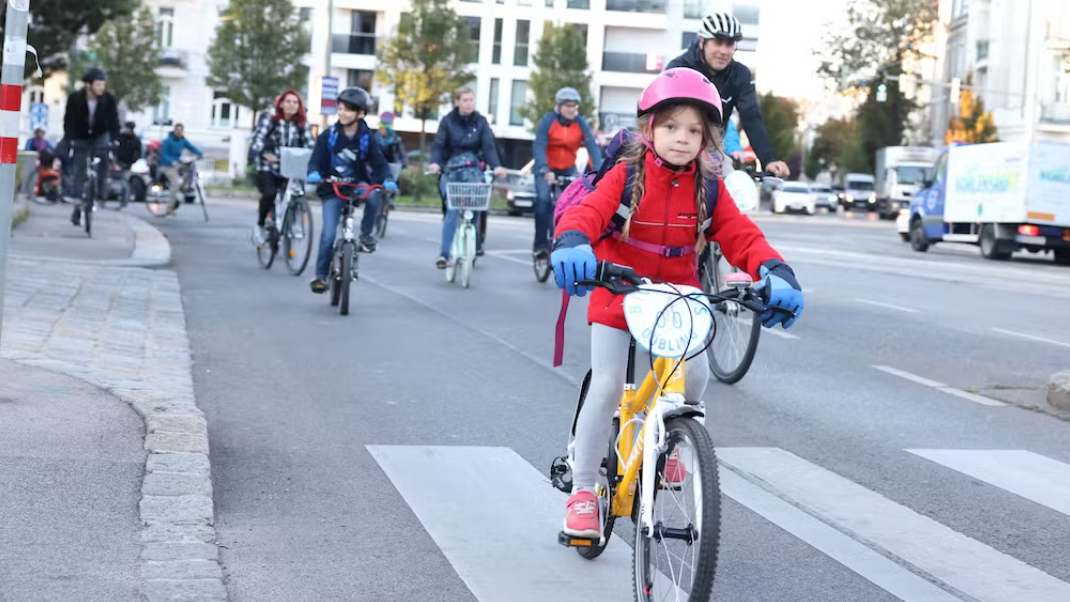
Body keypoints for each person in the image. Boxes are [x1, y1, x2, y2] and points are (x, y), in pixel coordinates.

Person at [550, 68, 804, 538]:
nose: (682, 139)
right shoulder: (627, 175)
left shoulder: (708, 185)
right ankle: (583, 490)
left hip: (678, 290)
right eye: (671, 127)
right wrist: (572, 242)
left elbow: (741, 235)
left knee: (695, 377)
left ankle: (665, 440)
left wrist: (774, 270)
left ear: (709, 138)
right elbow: (590, 214)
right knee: (607, 384)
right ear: (649, 130)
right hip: (616, 286)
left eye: (694, 130)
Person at [666, 13, 790, 178]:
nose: (724, 51)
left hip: (711, 149)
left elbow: (751, 118)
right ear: (702, 42)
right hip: (674, 144)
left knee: (733, 186)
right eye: (718, 42)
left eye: (730, 44)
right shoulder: (678, 68)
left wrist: (768, 159)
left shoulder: (741, 75)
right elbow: (661, 115)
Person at [305, 86, 397, 294]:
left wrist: (388, 179)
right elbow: (316, 160)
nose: (343, 113)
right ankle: (320, 275)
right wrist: (314, 173)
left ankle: (366, 235)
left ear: (361, 113)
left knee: (374, 196)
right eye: (340, 108)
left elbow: (380, 164)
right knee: (328, 233)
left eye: (348, 109)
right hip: (332, 188)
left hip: (356, 185)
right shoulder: (329, 135)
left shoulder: (367, 138)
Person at [427, 86, 507, 269]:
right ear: (457, 102)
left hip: (474, 172)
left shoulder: (481, 122)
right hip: (450, 172)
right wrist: (435, 162)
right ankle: (444, 255)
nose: (469, 103)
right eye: (465, 100)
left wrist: (497, 166)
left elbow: (489, 147)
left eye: (471, 100)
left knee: (477, 203)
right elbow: (439, 145)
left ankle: (474, 241)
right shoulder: (447, 121)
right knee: (452, 209)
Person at [531, 87, 604, 260]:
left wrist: (600, 171)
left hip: (567, 168)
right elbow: (539, 145)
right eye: (568, 106)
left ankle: (562, 243)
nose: (572, 109)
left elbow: (592, 147)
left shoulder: (580, 123)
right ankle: (540, 247)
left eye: (575, 106)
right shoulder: (548, 121)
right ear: (559, 106)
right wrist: (544, 169)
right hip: (546, 168)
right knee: (543, 202)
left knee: (569, 207)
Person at [249, 89, 314, 244]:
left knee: (298, 192)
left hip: (291, 167)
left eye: (295, 102)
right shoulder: (270, 120)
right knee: (270, 193)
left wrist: (316, 158)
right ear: (281, 104)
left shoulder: (302, 124)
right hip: (269, 166)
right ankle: (261, 224)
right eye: (288, 102)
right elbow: (257, 139)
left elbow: (311, 144)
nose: (292, 105)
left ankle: (295, 222)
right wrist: (265, 153)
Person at [62, 67, 120, 226]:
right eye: (98, 85)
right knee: (79, 169)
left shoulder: (108, 99)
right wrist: (69, 139)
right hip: (81, 136)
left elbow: (114, 122)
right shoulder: (75, 99)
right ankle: (77, 207)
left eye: (103, 85)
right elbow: (68, 121)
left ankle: (101, 190)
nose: (102, 88)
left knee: (103, 158)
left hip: (100, 135)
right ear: (88, 85)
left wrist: (115, 140)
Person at [158, 123, 204, 212]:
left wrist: (200, 153)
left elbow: (192, 147)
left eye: (181, 131)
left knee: (190, 170)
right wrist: (171, 161)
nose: (179, 132)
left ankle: (183, 187)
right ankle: (170, 207)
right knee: (174, 183)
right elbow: (163, 155)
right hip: (167, 166)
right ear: (174, 130)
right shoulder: (167, 141)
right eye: (178, 130)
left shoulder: (182, 140)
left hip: (178, 163)